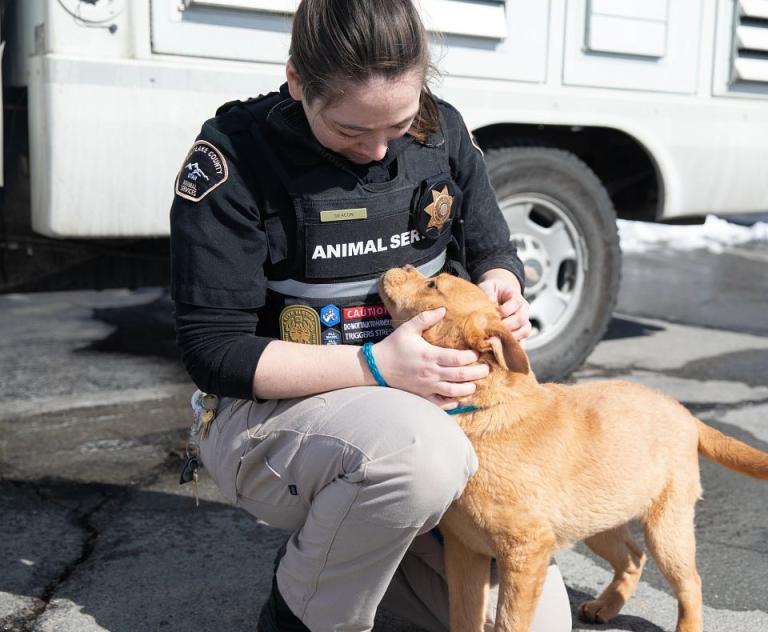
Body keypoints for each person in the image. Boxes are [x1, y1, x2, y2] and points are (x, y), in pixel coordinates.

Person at [168, 1, 573, 630]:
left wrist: (500, 285)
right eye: (351, 131)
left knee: (536, 621)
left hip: (422, 418)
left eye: (399, 125)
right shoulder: (237, 159)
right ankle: (301, 614)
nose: (377, 150)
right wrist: (373, 366)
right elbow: (213, 354)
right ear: (299, 82)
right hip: (271, 416)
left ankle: (357, 548)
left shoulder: (442, 133)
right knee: (419, 455)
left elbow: (491, 249)